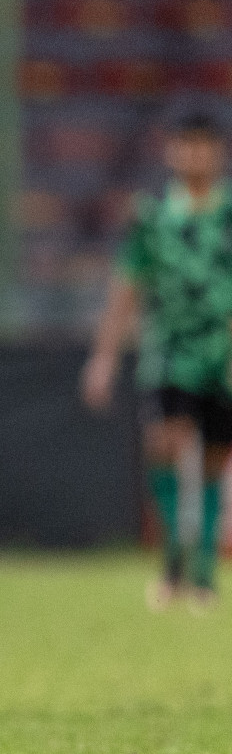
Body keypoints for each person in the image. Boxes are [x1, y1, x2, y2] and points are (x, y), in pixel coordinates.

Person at [83, 113, 232, 611]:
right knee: (164, 446)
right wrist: (104, 357)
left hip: (222, 353)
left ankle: (205, 573)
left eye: (203, 146)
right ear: (171, 152)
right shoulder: (151, 215)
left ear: (218, 153)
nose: (193, 155)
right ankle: (172, 561)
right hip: (167, 350)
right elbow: (128, 287)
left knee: (213, 459)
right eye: (184, 146)